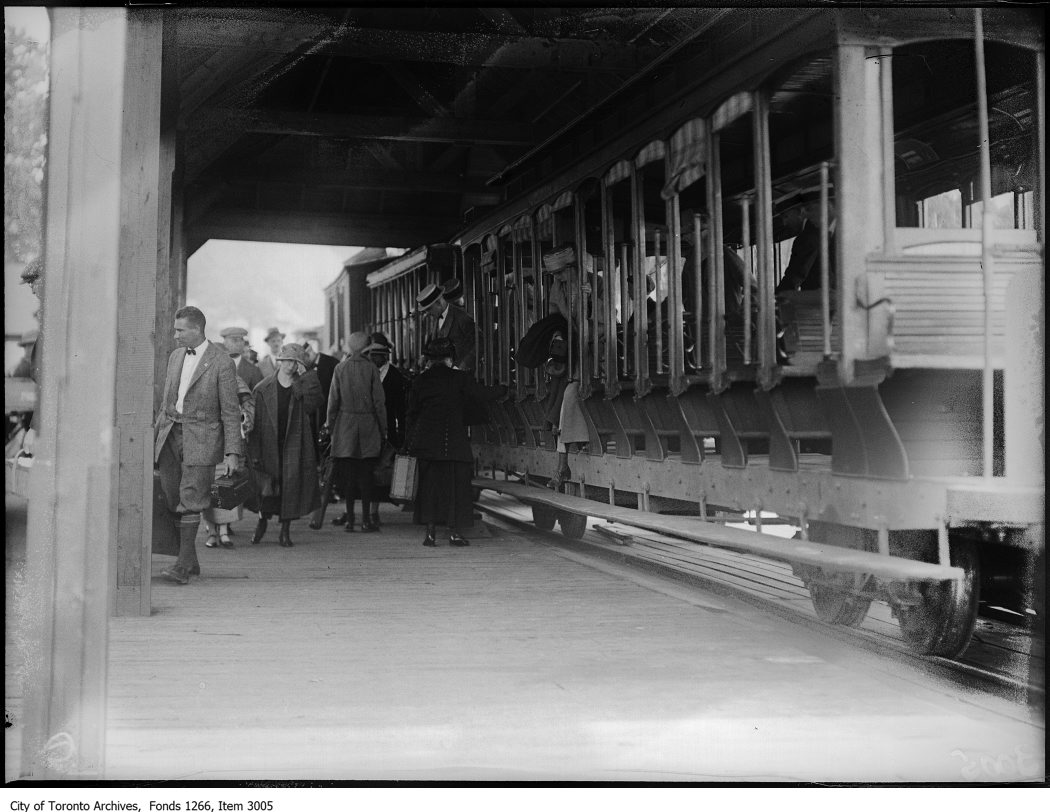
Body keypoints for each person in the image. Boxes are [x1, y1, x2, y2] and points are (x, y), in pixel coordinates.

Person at [154, 306, 243, 584]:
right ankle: (190, 561)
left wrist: (232, 452)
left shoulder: (222, 362)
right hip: (170, 435)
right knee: (172, 498)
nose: (176, 335)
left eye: (180, 330)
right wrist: (154, 438)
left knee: (191, 498)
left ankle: (181, 567)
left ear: (197, 329)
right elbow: (165, 403)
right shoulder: (175, 356)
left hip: (203, 439)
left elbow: (231, 411)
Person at [404, 336, 491, 547]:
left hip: (426, 446)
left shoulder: (420, 381)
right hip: (454, 443)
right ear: (450, 357)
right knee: (456, 489)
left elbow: (411, 414)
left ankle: (430, 533)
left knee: (430, 489)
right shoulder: (460, 379)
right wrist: (504, 390)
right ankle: (454, 533)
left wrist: (409, 443)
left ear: (429, 359)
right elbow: (481, 397)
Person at [246, 343, 324, 547]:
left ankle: (285, 531)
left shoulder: (302, 386)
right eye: (287, 361)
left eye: (295, 362)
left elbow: (314, 404)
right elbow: (254, 425)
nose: (290, 366)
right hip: (268, 444)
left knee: (290, 488)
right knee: (267, 489)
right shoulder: (263, 388)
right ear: (280, 362)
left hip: (294, 444)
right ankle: (261, 524)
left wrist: (306, 375)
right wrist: (255, 452)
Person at [540, 245, 593, 491]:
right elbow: (553, 318)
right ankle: (562, 464)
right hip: (570, 354)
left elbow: (609, 317)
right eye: (555, 275)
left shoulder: (595, 283)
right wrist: (559, 335)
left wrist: (592, 298)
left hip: (593, 352)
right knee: (563, 400)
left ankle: (562, 466)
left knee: (568, 398)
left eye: (561, 273)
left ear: (572, 268)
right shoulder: (557, 287)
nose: (558, 278)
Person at [325, 331, 386, 533]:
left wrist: (331, 427)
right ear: (366, 347)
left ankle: (350, 520)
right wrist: (383, 428)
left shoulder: (340, 368)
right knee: (367, 476)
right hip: (368, 426)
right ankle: (367, 520)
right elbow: (379, 403)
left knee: (350, 478)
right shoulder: (371, 369)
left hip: (345, 427)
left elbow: (333, 402)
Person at [363, 331, 408, 528]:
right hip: (369, 430)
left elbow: (401, 408)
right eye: (370, 355)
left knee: (382, 471)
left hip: (388, 430)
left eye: (376, 355)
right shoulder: (367, 374)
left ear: (385, 356)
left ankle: (374, 511)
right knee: (370, 470)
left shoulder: (396, 377)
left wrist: (401, 433)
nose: (372, 358)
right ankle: (370, 512)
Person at [775, 192, 837, 293]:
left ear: (799, 212)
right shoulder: (821, 231)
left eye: (786, 216)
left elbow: (795, 275)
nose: (784, 223)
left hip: (820, 301)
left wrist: (777, 298)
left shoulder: (807, 236)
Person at [416, 282, 476, 375]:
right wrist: (425, 355)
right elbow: (434, 339)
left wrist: (461, 366)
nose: (428, 313)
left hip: (462, 375)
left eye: (429, 309)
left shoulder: (461, 316)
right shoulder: (438, 317)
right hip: (445, 374)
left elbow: (479, 342)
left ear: (439, 303)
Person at [220, 326, 264, 392]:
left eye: (241, 339)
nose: (239, 343)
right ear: (225, 343)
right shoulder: (215, 366)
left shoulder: (254, 371)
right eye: (234, 340)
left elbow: (258, 397)